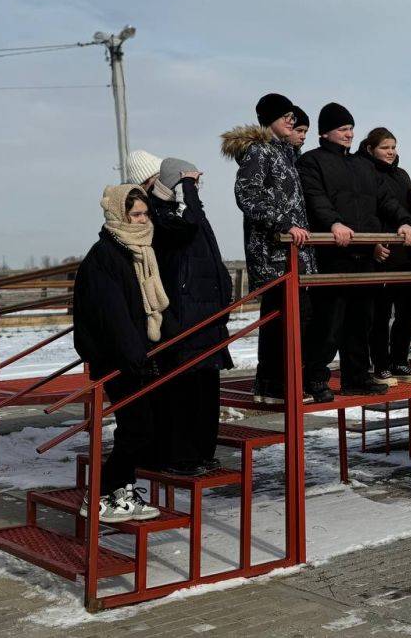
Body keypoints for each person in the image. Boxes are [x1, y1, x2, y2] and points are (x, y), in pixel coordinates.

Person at [297, 102, 411, 396]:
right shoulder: (311, 162)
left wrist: (403, 221)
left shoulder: (362, 165)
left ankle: (357, 377)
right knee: (330, 322)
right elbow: (315, 198)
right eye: (342, 129)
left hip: (365, 256)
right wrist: (333, 223)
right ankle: (314, 378)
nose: (349, 134)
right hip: (333, 255)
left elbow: (385, 199)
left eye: (351, 128)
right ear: (325, 132)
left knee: (361, 322)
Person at [222, 93, 331, 404]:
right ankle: (275, 386)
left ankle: (273, 385)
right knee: (284, 320)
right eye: (285, 116)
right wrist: (283, 224)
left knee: (290, 319)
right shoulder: (259, 152)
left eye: (292, 118)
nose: (291, 121)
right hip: (273, 254)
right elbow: (248, 195)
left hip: (294, 254)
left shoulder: (285, 154)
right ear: (269, 119)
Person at [73, 184, 167, 523]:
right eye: (135, 214)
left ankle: (121, 492)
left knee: (135, 428)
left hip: (134, 355)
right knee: (141, 429)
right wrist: (137, 358)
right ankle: (97, 495)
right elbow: (113, 315)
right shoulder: (105, 256)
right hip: (118, 359)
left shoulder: (135, 251)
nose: (143, 220)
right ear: (118, 215)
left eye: (145, 213)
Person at [148, 156, 234, 475]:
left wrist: (224, 291)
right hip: (184, 318)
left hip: (207, 316)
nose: (197, 186)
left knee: (206, 390)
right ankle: (181, 456)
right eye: (191, 180)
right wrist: (187, 189)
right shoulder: (162, 214)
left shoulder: (190, 210)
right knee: (183, 391)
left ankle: (202, 451)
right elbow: (186, 229)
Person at [356, 127, 411, 384]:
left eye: (393, 147)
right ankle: (381, 364)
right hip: (382, 255)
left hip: (408, 254)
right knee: (381, 314)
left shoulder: (402, 175)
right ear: (371, 148)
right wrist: (371, 243)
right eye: (385, 147)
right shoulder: (365, 173)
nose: (391, 152)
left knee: (408, 312)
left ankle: (398, 360)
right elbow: (365, 212)